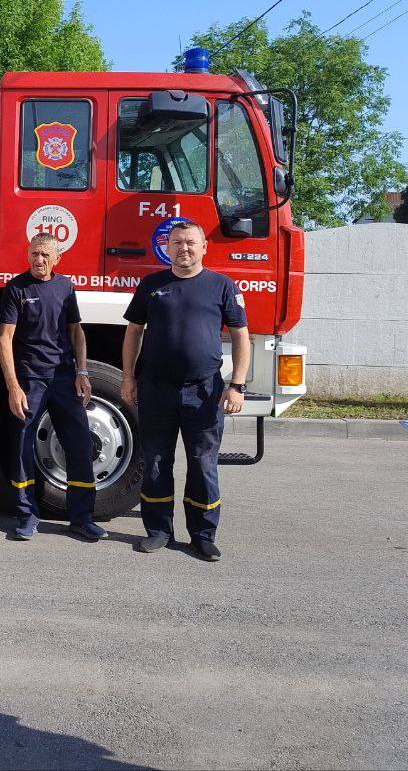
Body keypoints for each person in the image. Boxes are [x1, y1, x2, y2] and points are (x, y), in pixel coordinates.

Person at [121, 219, 248, 562]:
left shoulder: (222, 286)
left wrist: (237, 385)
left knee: (202, 464)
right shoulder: (151, 285)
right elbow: (134, 332)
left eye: (190, 242)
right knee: (156, 462)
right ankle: (159, 531)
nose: (184, 248)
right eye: (177, 242)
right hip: (156, 389)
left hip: (204, 392)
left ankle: (203, 535)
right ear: (167, 247)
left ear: (204, 246)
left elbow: (241, 335)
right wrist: (129, 378)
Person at [0, 233, 104, 543]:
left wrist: (82, 372)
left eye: (45, 254)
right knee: (21, 446)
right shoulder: (16, 288)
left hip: (64, 378)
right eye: (34, 253)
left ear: (57, 258)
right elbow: (5, 338)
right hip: (29, 380)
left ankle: (81, 519)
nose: (39, 259)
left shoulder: (65, 287)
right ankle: (26, 516)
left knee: (80, 445)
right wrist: (13, 387)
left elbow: (76, 332)